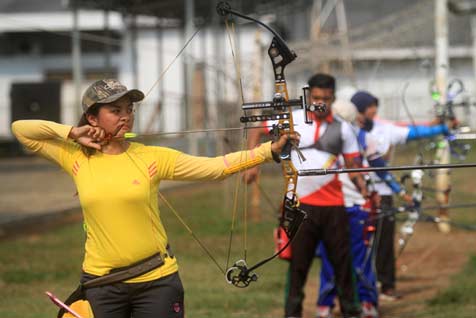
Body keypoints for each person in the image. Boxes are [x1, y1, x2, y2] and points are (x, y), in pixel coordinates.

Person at [11, 79, 298, 318]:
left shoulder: (151, 157)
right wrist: (72, 133)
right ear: (91, 117)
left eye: (129, 109)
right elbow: (22, 131)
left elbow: (215, 168)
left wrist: (267, 151)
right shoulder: (75, 157)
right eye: (115, 110)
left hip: (156, 281)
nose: (126, 116)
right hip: (102, 284)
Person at [245, 74, 366, 318]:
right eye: (316, 98)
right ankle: (292, 313)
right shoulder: (293, 119)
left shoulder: (344, 129)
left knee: (343, 264)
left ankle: (352, 311)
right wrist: (252, 163)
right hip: (300, 206)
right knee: (298, 265)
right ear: (309, 96)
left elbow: (353, 166)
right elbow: (258, 130)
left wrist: (364, 188)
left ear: (333, 98)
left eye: (326, 99)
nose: (320, 103)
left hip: (334, 207)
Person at [351, 90, 453, 301]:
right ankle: (357, 288)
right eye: (370, 106)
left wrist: (443, 128)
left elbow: (416, 132)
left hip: (384, 194)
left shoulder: (385, 129)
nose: (373, 110)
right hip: (357, 195)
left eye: (374, 106)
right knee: (358, 244)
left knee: (384, 243)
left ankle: (386, 286)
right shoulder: (349, 132)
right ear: (358, 110)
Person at [314, 100, 380, 318]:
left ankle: (355, 303)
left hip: (351, 207)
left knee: (344, 258)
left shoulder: (361, 138)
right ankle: (339, 303)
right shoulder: (321, 140)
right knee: (339, 257)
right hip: (337, 207)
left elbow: (376, 167)